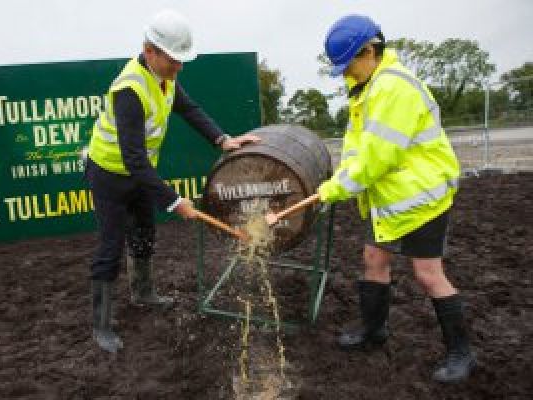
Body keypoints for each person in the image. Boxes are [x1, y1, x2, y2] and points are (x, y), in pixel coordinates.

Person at [270, 15, 475, 383]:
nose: (346, 74)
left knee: (428, 275)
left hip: (420, 197)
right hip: (387, 198)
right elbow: (355, 150)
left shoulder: (394, 89)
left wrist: (330, 192)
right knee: (373, 258)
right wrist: (339, 180)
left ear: (370, 50)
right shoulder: (365, 90)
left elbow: (378, 157)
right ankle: (373, 330)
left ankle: (462, 353)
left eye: (348, 65)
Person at [84, 9, 260, 354]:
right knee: (110, 248)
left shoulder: (165, 79)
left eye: (182, 60)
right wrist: (174, 201)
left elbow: (190, 109)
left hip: (138, 175)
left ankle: (143, 292)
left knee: (145, 235)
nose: (180, 67)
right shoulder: (129, 90)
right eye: (174, 59)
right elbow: (133, 159)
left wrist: (222, 139)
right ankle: (101, 326)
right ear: (150, 50)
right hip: (108, 176)